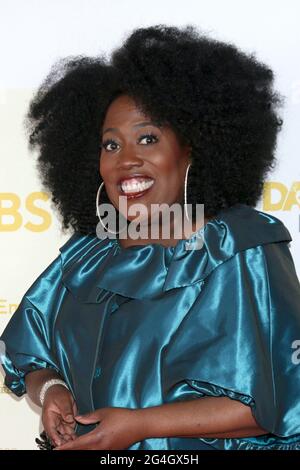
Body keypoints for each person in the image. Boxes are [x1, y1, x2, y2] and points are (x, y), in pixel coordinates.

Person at [1, 24, 300, 451]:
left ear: (192, 147)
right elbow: (30, 353)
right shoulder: (90, 254)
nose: (127, 161)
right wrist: (51, 391)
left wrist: (140, 425)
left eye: (148, 138)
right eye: (110, 145)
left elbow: (273, 402)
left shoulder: (240, 248)